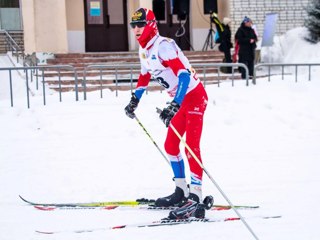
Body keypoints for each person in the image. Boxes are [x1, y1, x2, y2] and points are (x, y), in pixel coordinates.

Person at [124, 8, 212, 219]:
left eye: (140, 24)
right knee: (171, 146)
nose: (136, 29)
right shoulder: (144, 49)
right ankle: (181, 191)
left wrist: (174, 104)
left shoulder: (163, 47)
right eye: (133, 25)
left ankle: (196, 195)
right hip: (180, 100)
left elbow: (183, 76)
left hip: (194, 96)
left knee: (191, 145)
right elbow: (145, 75)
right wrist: (135, 99)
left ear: (151, 25)